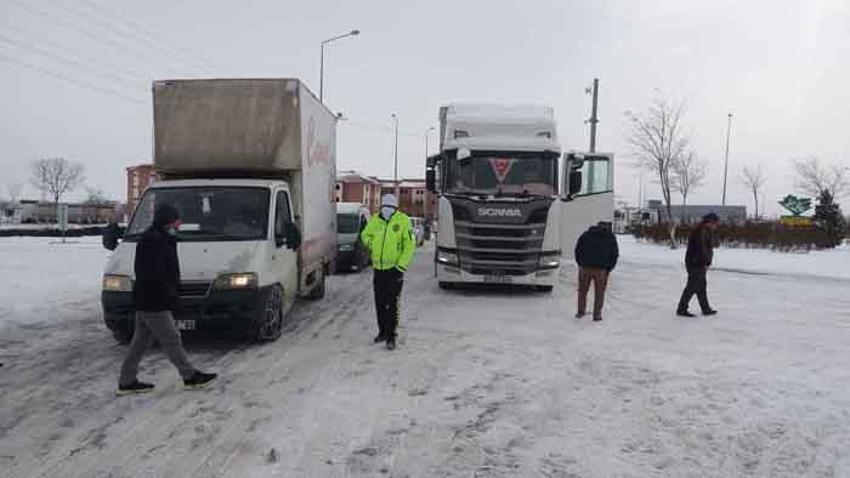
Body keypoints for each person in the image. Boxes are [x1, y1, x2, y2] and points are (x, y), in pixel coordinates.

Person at [117, 204, 217, 395]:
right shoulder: (153, 241)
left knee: (140, 341)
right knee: (172, 338)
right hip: (153, 300)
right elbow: (155, 274)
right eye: (176, 220)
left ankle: (127, 380)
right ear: (167, 221)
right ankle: (190, 376)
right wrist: (169, 296)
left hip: (148, 299)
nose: (179, 223)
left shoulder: (161, 238)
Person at [360, 194, 416, 350]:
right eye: (384, 207)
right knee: (380, 302)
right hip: (378, 269)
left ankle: (391, 336)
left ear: (395, 208)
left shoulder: (403, 221)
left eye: (390, 208)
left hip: (394, 270)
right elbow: (365, 234)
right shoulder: (375, 220)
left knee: (392, 304)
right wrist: (371, 243)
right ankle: (382, 332)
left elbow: (409, 246)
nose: (386, 210)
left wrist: (401, 267)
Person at [677, 213, 720, 317]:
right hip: (696, 262)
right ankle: (681, 309)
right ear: (710, 222)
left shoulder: (706, 231)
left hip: (698, 262)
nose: (716, 226)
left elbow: (714, 244)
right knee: (692, 287)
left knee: (701, 287)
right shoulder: (701, 231)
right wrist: (705, 262)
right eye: (715, 223)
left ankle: (705, 308)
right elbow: (702, 249)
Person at [574, 222, 619, 321]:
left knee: (582, 291)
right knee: (599, 293)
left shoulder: (585, 235)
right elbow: (614, 254)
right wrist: (609, 268)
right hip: (601, 270)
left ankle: (580, 312)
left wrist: (580, 263)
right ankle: (597, 315)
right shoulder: (610, 237)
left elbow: (577, 250)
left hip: (584, 268)